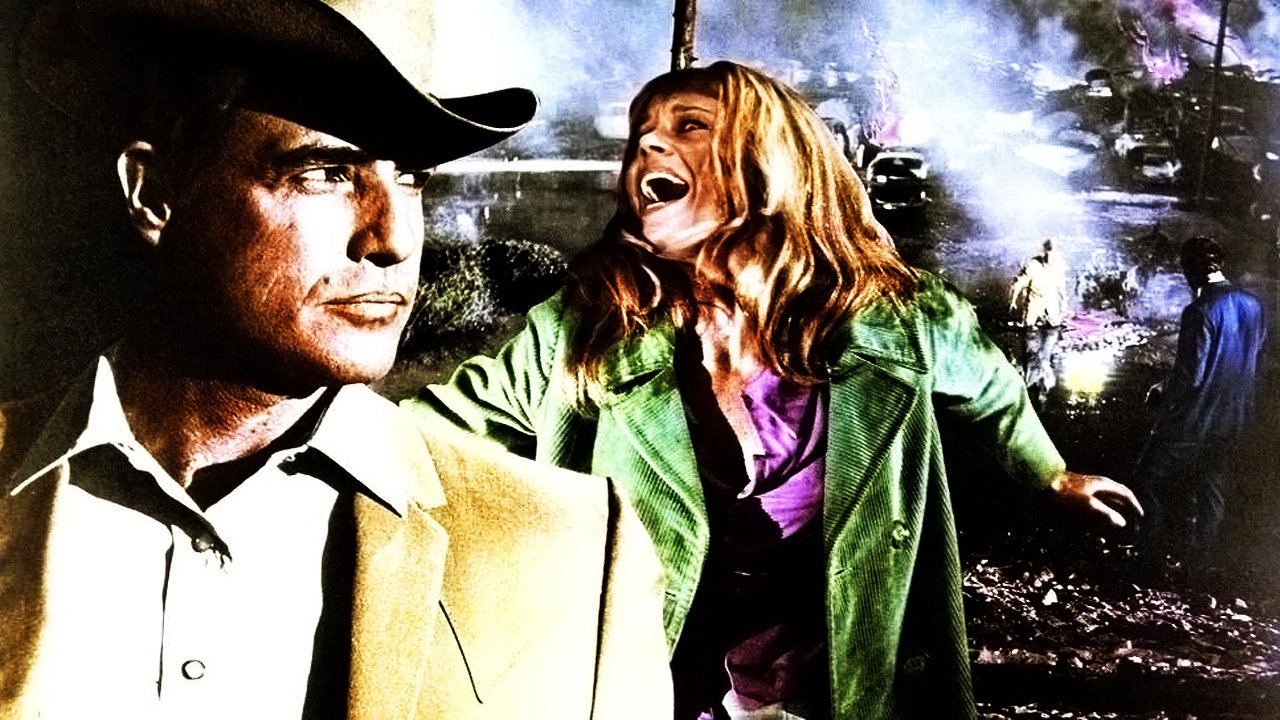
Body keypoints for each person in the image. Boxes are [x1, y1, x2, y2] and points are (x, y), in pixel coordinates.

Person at [403, 61, 1142, 720]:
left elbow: (989, 386)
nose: (649, 145)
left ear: (770, 162)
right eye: (643, 134)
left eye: (689, 126)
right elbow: (444, 421)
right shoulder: (588, 329)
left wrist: (1052, 473)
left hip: (832, 665)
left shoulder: (902, 321)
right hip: (658, 671)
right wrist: (335, 436)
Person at [0, 1, 672, 717]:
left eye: (411, 176)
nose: (392, 239)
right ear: (156, 194)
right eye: (324, 172)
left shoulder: (572, 551)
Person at [1133, 235, 1267, 580]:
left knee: (1146, 482)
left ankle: (1148, 564)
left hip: (1193, 422)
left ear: (1190, 269)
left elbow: (1190, 377)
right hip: (1234, 418)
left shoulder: (1200, 310)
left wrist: (1160, 392)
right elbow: (1253, 358)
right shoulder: (1253, 305)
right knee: (1210, 489)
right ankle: (1199, 566)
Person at [1009, 239, 1069, 405]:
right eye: (1048, 254)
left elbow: (1061, 285)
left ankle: (1046, 344)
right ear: (1044, 252)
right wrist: (1013, 301)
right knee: (1028, 330)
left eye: (1053, 254)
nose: (1050, 258)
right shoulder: (1033, 265)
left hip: (1050, 300)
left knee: (1054, 328)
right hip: (1034, 300)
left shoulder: (1059, 265)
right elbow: (1019, 283)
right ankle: (1031, 345)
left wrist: (1064, 301)